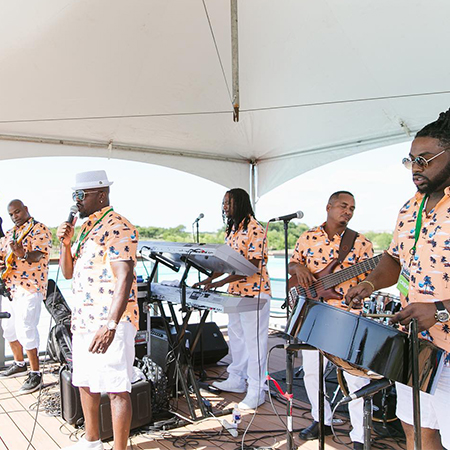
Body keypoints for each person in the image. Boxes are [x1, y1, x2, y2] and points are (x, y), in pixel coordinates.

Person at [346, 109, 450, 450]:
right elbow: (392, 257)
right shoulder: (409, 208)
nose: (416, 168)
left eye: (424, 159)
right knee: (419, 429)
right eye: (410, 160)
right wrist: (370, 283)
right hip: (417, 345)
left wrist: (441, 310)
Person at [57, 170, 139, 450]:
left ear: (101, 195)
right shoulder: (85, 228)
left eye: (81, 195)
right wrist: (65, 244)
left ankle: (119, 448)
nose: (75, 201)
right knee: (84, 381)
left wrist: (111, 326)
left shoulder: (118, 226)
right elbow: (67, 273)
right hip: (83, 319)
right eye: (74, 195)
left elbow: (124, 277)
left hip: (110, 321)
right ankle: (92, 441)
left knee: (117, 387)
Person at [288, 191, 373, 450]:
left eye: (352, 209)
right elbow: (293, 265)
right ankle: (321, 419)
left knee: (356, 377)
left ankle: (359, 435)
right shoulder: (307, 236)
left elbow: (372, 277)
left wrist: (360, 291)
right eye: (343, 206)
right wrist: (297, 268)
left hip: (347, 315)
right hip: (313, 313)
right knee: (312, 372)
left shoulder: (361, 243)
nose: (347, 212)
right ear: (329, 207)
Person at [194, 188, 271, 410]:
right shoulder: (233, 230)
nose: (225, 206)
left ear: (241, 203)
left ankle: (258, 390)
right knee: (237, 337)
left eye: (229, 202)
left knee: (255, 343)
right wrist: (209, 279)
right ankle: (237, 379)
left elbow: (252, 266)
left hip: (255, 293)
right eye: (224, 202)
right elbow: (224, 264)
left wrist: (218, 283)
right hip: (236, 292)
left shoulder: (255, 229)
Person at [0, 200, 51, 393]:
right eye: (11, 214)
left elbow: (38, 255)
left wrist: (22, 254)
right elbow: (3, 254)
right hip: (10, 287)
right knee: (9, 329)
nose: (15, 216)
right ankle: (19, 363)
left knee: (26, 328)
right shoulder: (10, 233)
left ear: (26, 209)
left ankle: (36, 374)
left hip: (30, 287)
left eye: (18, 212)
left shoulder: (39, 229)